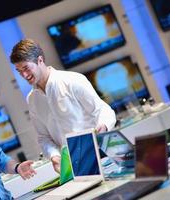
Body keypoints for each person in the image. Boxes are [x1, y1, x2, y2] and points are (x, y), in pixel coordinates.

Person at [10, 39, 116, 173]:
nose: (24, 75)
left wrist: (103, 126)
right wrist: (54, 156)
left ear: (40, 60)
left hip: (100, 153)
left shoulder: (72, 80)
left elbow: (104, 110)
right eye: (19, 71)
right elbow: (44, 137)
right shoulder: (32, 99)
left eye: (26, 68)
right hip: (74, 164)